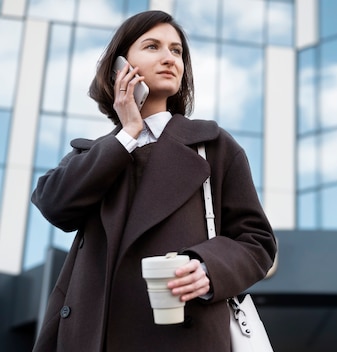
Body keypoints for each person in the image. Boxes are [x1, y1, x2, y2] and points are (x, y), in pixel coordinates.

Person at [31, 10, 276, 352]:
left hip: (181, 334)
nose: (169, 58)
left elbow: (257, 242)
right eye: (152, 46)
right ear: (120, 66)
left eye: (177, 51)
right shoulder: (93, 154)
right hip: (91, 338)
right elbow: (55, 205)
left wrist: (207, 267)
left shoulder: (213, 146)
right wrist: (128, 132)